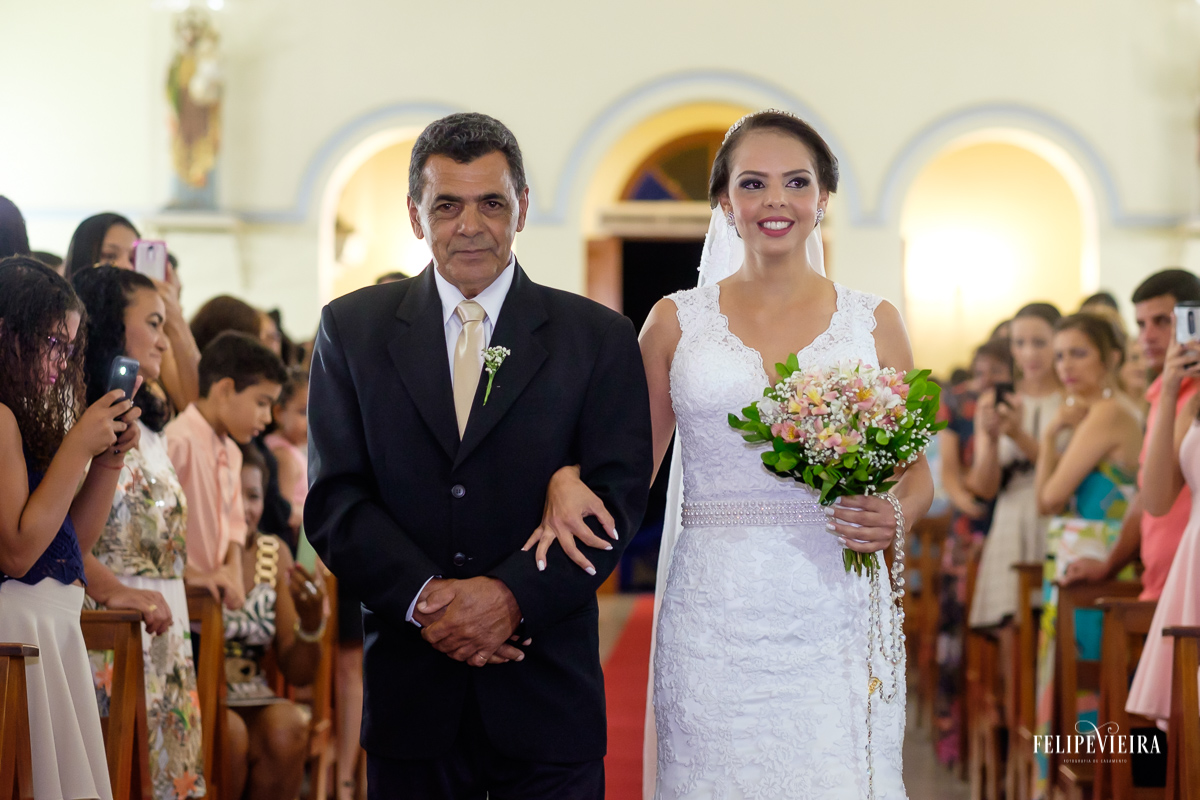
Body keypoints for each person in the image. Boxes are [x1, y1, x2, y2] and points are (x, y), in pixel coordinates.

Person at [531, 110, 932, 798]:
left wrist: (897, 514)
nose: (775, 200)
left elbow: (917, 471)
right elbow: (627, 466)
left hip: (831, 604)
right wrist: (567, 477)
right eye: (753, 183)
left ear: (823, 199)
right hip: (714, 608)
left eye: (796, 182)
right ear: (725, 202)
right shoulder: (675, 320)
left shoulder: (874, 322)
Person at [306, 112, 653, 800]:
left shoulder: (597, 339)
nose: (470, 224)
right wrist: (428, 600)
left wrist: (511, 597)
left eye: (491, 202)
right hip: (414, 694)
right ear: (415, 215)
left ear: (520, 210)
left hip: (546, 692)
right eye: (448, 204)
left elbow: (616, 502)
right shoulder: (352, 330)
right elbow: (336, 500)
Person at [0, 256, 141, 800]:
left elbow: (67, 548)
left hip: (52, 630)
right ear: (8, 336)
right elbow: (15, 553)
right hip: (19, 633)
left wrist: (106, 461)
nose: (62, 362)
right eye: (52, 343)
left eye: (70, 348)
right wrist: (78, 444)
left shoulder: (24, 418)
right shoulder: (1, 418)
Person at [73, 266, 207, 799]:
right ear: (111, 326)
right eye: (153, 322)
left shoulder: (150, 430)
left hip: (164, 630)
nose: (161, 337)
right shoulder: (81, 421)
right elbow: (64, 539)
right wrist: (117, 592)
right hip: (108, 631)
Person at [1031, 313, 1143, 799]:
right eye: (1059, 355)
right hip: (1081, 564)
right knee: (1074, 689)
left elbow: (1048, 499)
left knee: (1089, 697)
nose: (1064, 366)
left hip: (1100, 571)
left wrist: (1049, 435)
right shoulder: (1101, 410)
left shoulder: (1109, 413)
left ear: (1111, 357)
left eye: (1078, 353)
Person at [1062, 269, 1200, 600]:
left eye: (1163, 322)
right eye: (1140, 324)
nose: (1147, 336)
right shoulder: (1161, 396)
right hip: (1162, 578)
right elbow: (1147, 498)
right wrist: (1109, 564)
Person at [225, 443, 327, 800]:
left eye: (252, 496)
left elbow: (297, 672)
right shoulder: (194, 550)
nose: (243, 507)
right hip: (197, 694)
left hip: (255, 695)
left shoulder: (275, 552)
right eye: (232, 493)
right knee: (231, 732)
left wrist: (312, 623)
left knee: (289, 725)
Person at [933, 336, 1013, 764]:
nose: (986, 382)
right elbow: (950, 475)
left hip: (1011, 522)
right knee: (956, 637)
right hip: (970, 527)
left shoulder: (1018, 407)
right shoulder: (958, 403)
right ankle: (955, 741)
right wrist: (978, 510)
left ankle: (1000, 745)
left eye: (996, 374)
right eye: (980, 372)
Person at [167, 332, 288, 612]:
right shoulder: (178, 442)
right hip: (178, 596)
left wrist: (232, 572)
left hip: (210, 603)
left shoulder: (233, 452)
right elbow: (155, 524)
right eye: (261, 402)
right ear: (225, 390)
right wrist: (190, 572)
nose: (268, 418)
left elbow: (235, 526)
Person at [968, 303, 1062, 628]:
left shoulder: (1071, 400)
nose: (1029, 353)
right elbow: (984, 488)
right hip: (1011, 518)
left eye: (1039, 342)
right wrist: (993, 440)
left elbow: (1067, 474)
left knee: (1060, 635)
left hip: (1058, 518)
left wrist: (1019, 435)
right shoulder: (993, 401)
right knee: (1012, 629)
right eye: (1020, 343)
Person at [1125, 336, 1200, 723]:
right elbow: (1155, 499)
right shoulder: (1193, 402)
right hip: (1194, 564)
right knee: (1187, 721)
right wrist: (1170, 390)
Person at [64, 212, 202, 417]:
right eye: (110, 256)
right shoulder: (65, 340)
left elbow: (195, 403)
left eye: (132, 258)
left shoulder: (147, 337)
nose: (126, 266)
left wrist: (173, 312)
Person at [265, 369, 308, 535]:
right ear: (278, 413)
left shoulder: (292, 451)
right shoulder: (283, 456)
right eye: (303, 412)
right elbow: (284, 512)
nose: (310, 421)